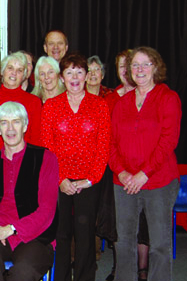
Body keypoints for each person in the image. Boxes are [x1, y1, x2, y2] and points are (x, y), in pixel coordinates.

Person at [109, 46, 181, 281]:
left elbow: (168, 141)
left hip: (158, 181)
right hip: (124, 183)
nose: (139, 70)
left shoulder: (168, 98)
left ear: (156, 68)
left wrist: (143, 174)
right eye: (135, 65)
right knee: (123, 242)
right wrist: (121, 173)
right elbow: (110, 142)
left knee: (159, 244)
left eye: (145, 64)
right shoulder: (122, 103)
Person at [0, 101, 59, 281]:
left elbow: (47, 211)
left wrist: (10, 230)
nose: (10, 128)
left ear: (25, 126)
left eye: (16, 121)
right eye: (4, 123)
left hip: (34, 236)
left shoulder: (46, 158)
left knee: (23, 272)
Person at [41, 53, 110, 281]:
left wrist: (90, 179)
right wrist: (60, 180)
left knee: (85, 234)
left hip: (89, 181)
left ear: (86, 76)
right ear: (62, 77)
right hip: (59, 181)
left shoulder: (99, 105)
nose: (75, 77)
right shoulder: (51, 106)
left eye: (79, 72)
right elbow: (47, 147)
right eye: (69, 72)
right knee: (61, 234)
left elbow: (103, 147)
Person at [98, 49, 150, 281]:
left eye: (129, 65)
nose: (126, 71)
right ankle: (120, 268)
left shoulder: (150, 95)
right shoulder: (110, 99)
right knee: (121, 224)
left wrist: (141, 172)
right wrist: (121, 171)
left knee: (143, 224)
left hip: (145, 172)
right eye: (121, 66)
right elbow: (106, 138)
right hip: (117, 171)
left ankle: (142, 269)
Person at [0, 51, 43, 167]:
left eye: (19, 70)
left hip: (23, 165)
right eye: (10, 68)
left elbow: (36, 138)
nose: (14, 73)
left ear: (25, 75)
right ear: (2, 71)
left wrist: (26, 163)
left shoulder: (34, 102)